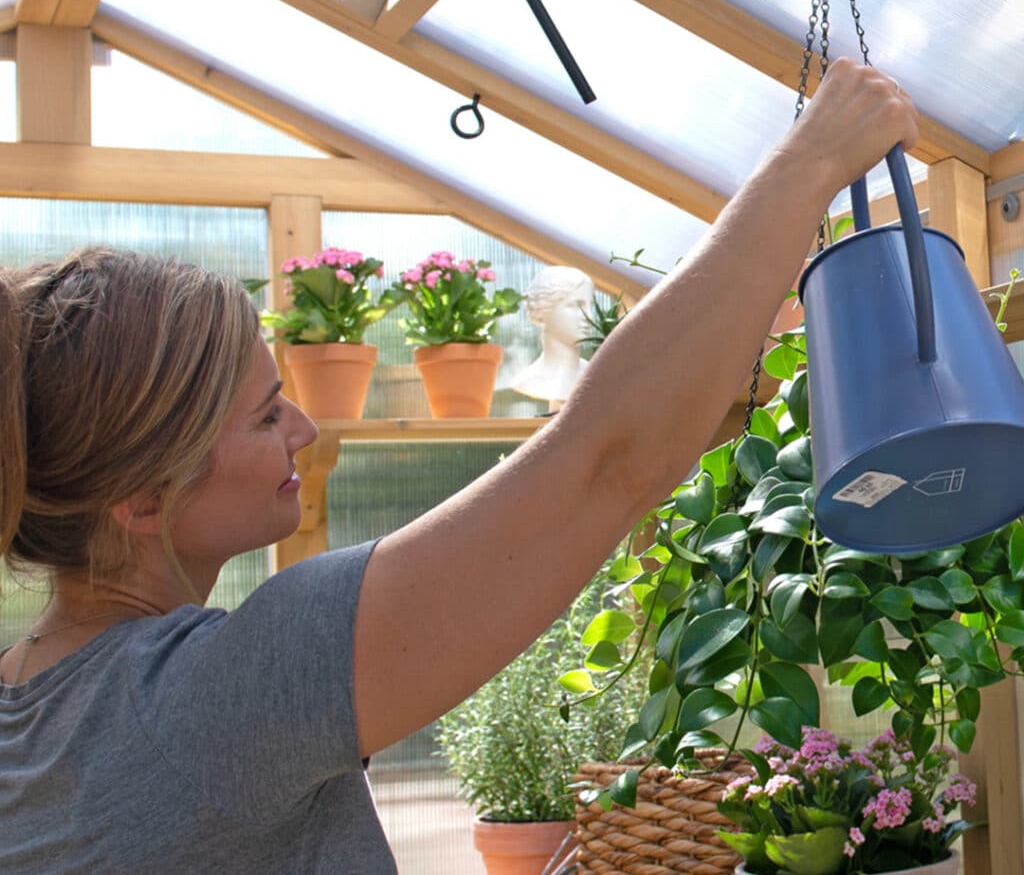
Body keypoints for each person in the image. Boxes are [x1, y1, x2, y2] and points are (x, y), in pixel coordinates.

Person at [0, 59, 917, 873]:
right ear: (141, 502)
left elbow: (589, 470)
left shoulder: (34, 708)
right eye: (260, 415)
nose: (304, 428)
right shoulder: (204, 707)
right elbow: (603, 461)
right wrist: (811, 160)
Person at [512, 265, 595, 408]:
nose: (589, 317)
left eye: (591, 306)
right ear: (540, 313)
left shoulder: (597, 378)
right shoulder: (529, 380)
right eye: (576, 305)